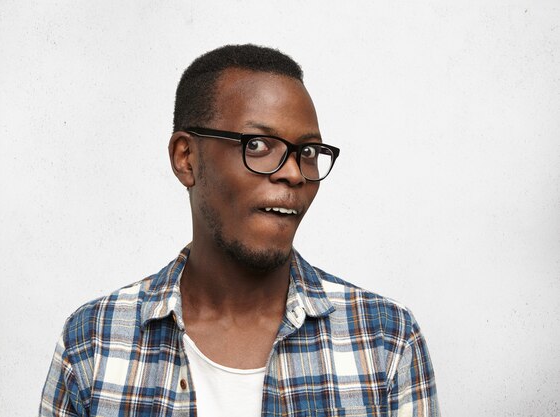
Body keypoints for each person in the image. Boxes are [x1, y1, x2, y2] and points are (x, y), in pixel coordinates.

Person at [39, 44, 440, 417]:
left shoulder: (386, 340)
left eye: (308, 152)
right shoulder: (95, 342)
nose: (293, 173)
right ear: (186, 158)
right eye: (258, 145)